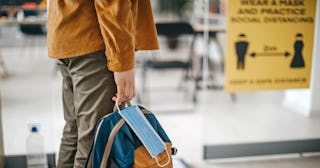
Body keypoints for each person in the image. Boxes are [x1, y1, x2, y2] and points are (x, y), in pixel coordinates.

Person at [47, 0, 159, 167]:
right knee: (93, 142)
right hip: (95, 38)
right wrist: (122, 62)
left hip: (68, 31)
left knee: (75, 133)